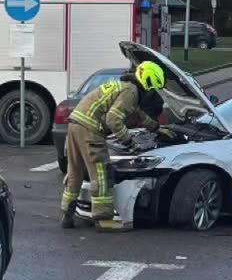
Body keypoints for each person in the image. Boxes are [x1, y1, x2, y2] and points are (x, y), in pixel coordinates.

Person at [60, 60, 167, 232]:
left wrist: (156, 128)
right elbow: (113, 119)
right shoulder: (131, 92)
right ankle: (103, 220)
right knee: (101, 174)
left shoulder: (124, 86)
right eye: (151, 88)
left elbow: (138, 114)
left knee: (75, 172)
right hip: (90, 129)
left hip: (75, 125)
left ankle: (67, 215)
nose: (151, 93)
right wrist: (130, 142)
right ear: (146, 81)